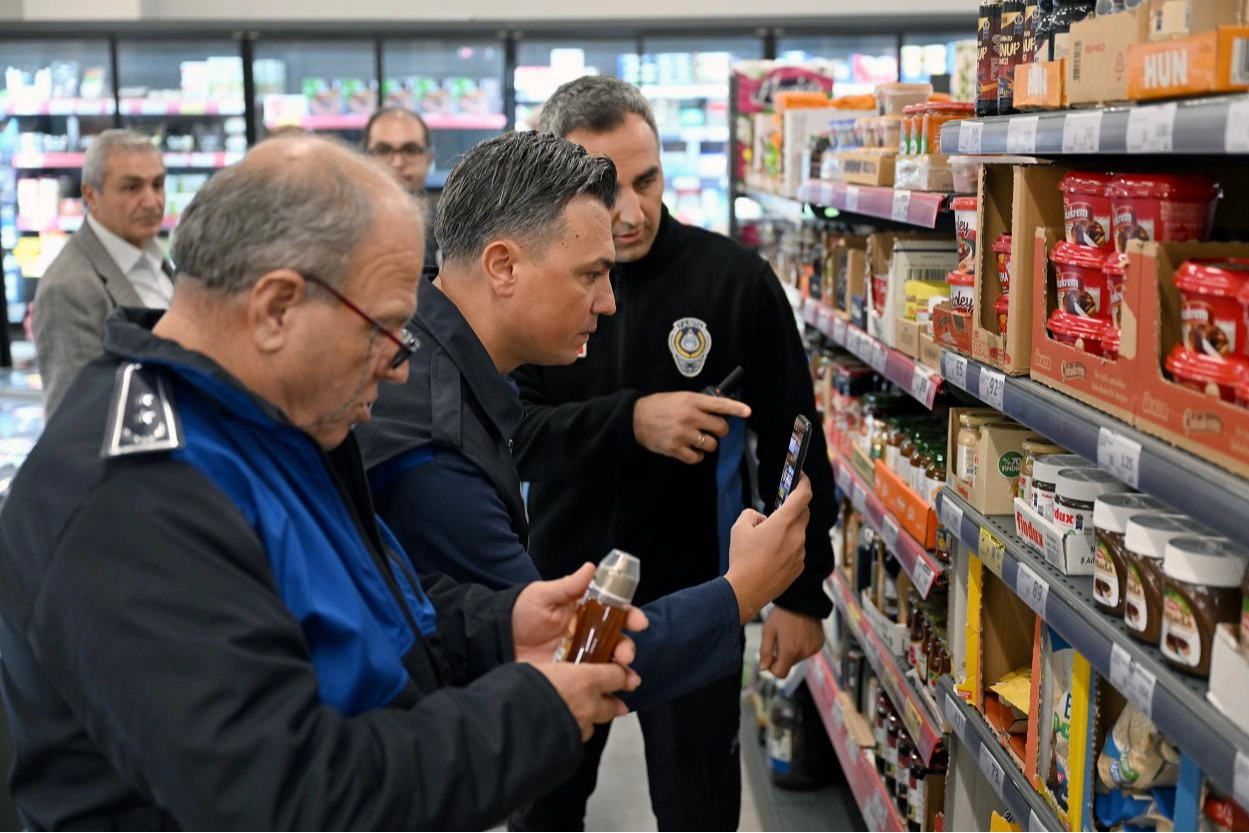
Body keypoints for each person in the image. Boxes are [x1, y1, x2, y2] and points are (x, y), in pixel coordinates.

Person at [0, 134, 645, 831]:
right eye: (387, 329)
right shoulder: (133, 499)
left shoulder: (263, 424)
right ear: (277, 307)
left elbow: (338, 605)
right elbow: (287, 797)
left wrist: (491, 629)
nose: (401, 365)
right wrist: (532, 710)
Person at [357, 131, 812, 713]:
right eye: (590, 275)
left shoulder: (424, 348)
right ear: (503, 267)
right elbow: (566, 659)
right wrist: (742, 590)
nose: (608, 302)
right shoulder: (437, 451)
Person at [511, 76, 840, 831]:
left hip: (695, 597)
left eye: (647, 178)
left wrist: (799, 589)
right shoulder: (533, 287)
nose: (630, 211)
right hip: (562, 599)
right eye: (603, 186)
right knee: (542, 808)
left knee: (698, 809)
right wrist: (632, 420)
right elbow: (512, 435)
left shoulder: (732, 280)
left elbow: (795, 438)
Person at [33, 129, 172, 416]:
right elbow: (73, 416)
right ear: (90, 195)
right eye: (132, 188)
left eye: (157, 184)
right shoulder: (69, 288)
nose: (152, 201)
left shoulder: (156, 256)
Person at [364, 107, 440, 278]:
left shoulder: (452, 233)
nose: (397, 162)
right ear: (366, 158)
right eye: (383, 150)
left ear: (428, 159)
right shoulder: (340, 232)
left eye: (410, 149)